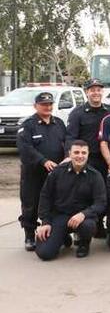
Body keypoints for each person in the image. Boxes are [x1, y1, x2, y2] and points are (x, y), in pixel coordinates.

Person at [35, 140, 107, 260]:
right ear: (70, 154)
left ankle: (84, 243)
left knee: (88, 226)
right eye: (76, 152)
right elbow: (45, 196)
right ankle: (62, 237)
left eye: (83, 153)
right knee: (45, 254)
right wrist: (45, 222)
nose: (80, 156)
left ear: (88, 154)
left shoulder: (95, 176)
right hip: (60, 216)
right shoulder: (57, 172)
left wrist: (84, 214)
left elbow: (101, 203)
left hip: (83, 219)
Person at [17, 91, 67, 251]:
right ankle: (30, 235)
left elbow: (67, 143)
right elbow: (25, 148)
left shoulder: (59, 123)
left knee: (56, 203)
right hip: (34, 174)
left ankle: (59, 233)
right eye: (44, 104)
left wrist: (67, 157)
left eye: (50, 104)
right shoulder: (28, 125)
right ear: (35, 106)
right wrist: (43, 161)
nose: (47, 107)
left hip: (56, 174)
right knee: (31, 204)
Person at [65, 78, 110, 176]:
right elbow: (70, 137)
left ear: (102, 92)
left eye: (98, 90)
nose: (96, 93)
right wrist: (69, 156)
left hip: (107, 160)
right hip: (86, 159)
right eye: (92, 90)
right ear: (87, 92)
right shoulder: (77, 113)